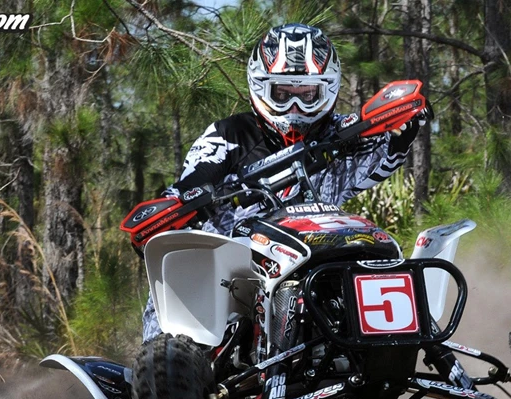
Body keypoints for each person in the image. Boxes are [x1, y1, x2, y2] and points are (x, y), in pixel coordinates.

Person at [141, 23, 429, 342]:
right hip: (235, 273)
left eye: (307, 94)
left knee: (374, 253)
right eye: (283, 93)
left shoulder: (343, 130)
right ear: (262, 87)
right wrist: (185, 203)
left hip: (317, 257)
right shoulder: (228, 135)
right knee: (168, 333)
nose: (295, 108)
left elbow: (377, 150)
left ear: (327, 89)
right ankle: (169, 368)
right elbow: (190, 183)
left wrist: (402, 129)